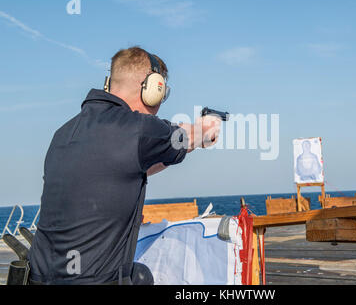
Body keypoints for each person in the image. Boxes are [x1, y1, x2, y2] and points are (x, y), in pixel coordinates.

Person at [27, 46, 221, 284]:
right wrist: (208, 128)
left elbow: (127, 167)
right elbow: (192, 135)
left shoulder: (64, 134)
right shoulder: (138, 128)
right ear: (152, 88)